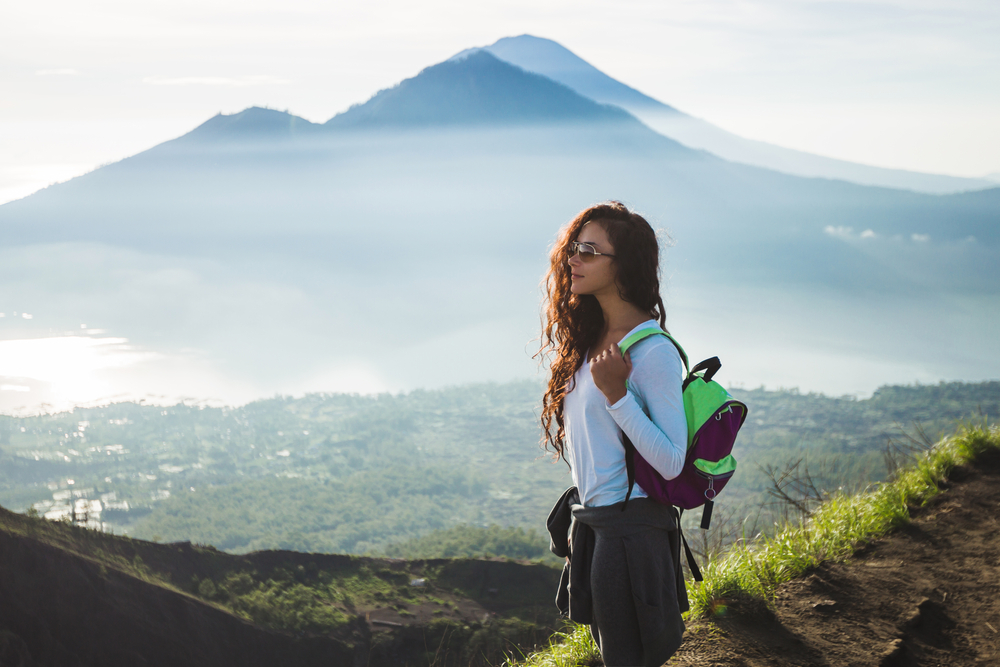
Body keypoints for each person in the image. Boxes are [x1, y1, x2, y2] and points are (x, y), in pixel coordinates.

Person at [539, 201, 687, 667]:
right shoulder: (592, 338)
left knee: (628, 659)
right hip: (599, 521)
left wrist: (618, 396)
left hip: (631, 528)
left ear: (622, 265)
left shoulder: (652, 351)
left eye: (589, 250)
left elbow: (671, 461)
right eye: (573, 249)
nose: (573, 260)